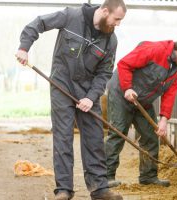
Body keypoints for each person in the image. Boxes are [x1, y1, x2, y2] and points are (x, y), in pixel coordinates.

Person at [15, 1, 126, 199]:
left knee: (94, 138)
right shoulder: (71, 16)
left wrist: (91, 98)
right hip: (62, 85)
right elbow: (38, 23)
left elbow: (104, 73)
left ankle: (99, 188)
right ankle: (64, 189)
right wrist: (24, 48)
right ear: (105, 11)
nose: (118, 24)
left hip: (87, 91)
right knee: (63, 137)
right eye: (116, 19)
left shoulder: (111, 41)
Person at [105, 36, 177, 187]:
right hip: (122, 93)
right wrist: (127, 87)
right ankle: (106, 176)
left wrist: (163, 119)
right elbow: (124, 64)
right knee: (118, 131)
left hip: (143, 100)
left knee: (151, 135)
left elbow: (170, 93)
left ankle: (148, 177)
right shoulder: (155, 50)